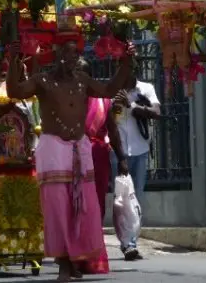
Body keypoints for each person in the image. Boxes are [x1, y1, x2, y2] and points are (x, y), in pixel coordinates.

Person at [6, 34, 134, 282]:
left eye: (75, 52)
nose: (73, 56)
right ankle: (63, 263)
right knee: (58, 209)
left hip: (80, 149)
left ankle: (76, 260)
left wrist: (126, 62)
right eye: (67, 51)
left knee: (82, 208)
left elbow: (108, 89)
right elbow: (14, 90)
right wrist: (14, 60)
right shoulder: (42, 80)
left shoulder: (82, 80)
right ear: (56, 55)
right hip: (53, 150)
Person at [76, 59, 128, 274]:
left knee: (96, 206)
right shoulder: (64, 98)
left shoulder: (102, 101)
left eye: (82, 72)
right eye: (75, 72)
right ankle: (75, 257)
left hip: (97, 156)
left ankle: (94, 257)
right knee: (75, 206)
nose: (79, 76)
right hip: (72, 156)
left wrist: (122, 157)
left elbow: (112, 130)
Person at [109, 67, 161, 261]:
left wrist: (131, 106)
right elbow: (109, 121)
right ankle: (126, 243)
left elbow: (157, 111)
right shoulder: (112, 90)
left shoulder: (145, 89)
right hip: (117, 152)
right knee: (120, 200)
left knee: (136, 198)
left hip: (140, 151)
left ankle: (131, 242)